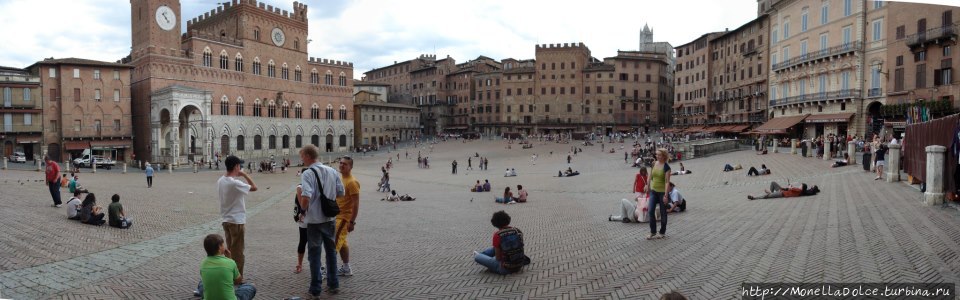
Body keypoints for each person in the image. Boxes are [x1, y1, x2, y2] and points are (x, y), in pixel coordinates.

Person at [298, 144, 344, 295]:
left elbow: (306, 196)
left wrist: (302, 211)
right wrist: (328, 198)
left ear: (308, 156)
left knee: (314, 255)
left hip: (314, 220)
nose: (301, 159)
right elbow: (340, 192)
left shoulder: (307, 173)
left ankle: (316, 289)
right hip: (330, 218)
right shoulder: (332, 170)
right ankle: (333, 284)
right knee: (331, 252)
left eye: (302, 156)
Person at [218, 155, 258, 276]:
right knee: (238, 251)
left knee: (229, 249)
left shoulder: (221, 180)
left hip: (226, 219)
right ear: (236, 166)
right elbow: (255, 188)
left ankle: (229, 272)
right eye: (239, 165)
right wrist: (245, 175)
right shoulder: (234, 183)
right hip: (236, 221)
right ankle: (237, 276)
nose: (240, 167)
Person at [199, 234, 257, 300]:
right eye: (223, 244)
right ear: (220, 247)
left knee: (201, 283)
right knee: (251, 286)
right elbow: (238, 280)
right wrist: (230, 258)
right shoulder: (230, 262)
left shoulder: (203, 263)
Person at [334, 156, 360, 277]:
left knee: (333, 245)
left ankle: (328, 271)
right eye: (340, 163)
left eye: (345, 164)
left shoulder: (352, 182)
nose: (341, 165)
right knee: (342, 243)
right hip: (338, 216)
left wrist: (352, 222)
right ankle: (346, 268)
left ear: (350, 167)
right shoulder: (342, 179)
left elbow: (355, 204)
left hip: (344, 218)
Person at [647, 149, 671, 240]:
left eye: (659, 155)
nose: (657, 156)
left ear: (664, 156)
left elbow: (667, 182)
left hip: (662, 192)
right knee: (650, 211)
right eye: (657, 155)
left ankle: (662, 232)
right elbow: (650, 176)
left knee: (663, 212)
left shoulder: (666, 167)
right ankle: (653, 232)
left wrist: (665, 195)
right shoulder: (653, 164)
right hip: (653, 191)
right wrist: (647, 185)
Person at [747, 182, 821, 200]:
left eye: (801, 185)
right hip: (782, 190)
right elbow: (791, 188)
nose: (799, 185)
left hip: (782, 194)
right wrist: (790, 186)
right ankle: (771, 192)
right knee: (773, 183)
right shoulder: (799, 190)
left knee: (768, 196)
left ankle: (754, 198)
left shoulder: (799, 190)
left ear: (802, 188)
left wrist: (790, 186)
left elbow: (791, 189)